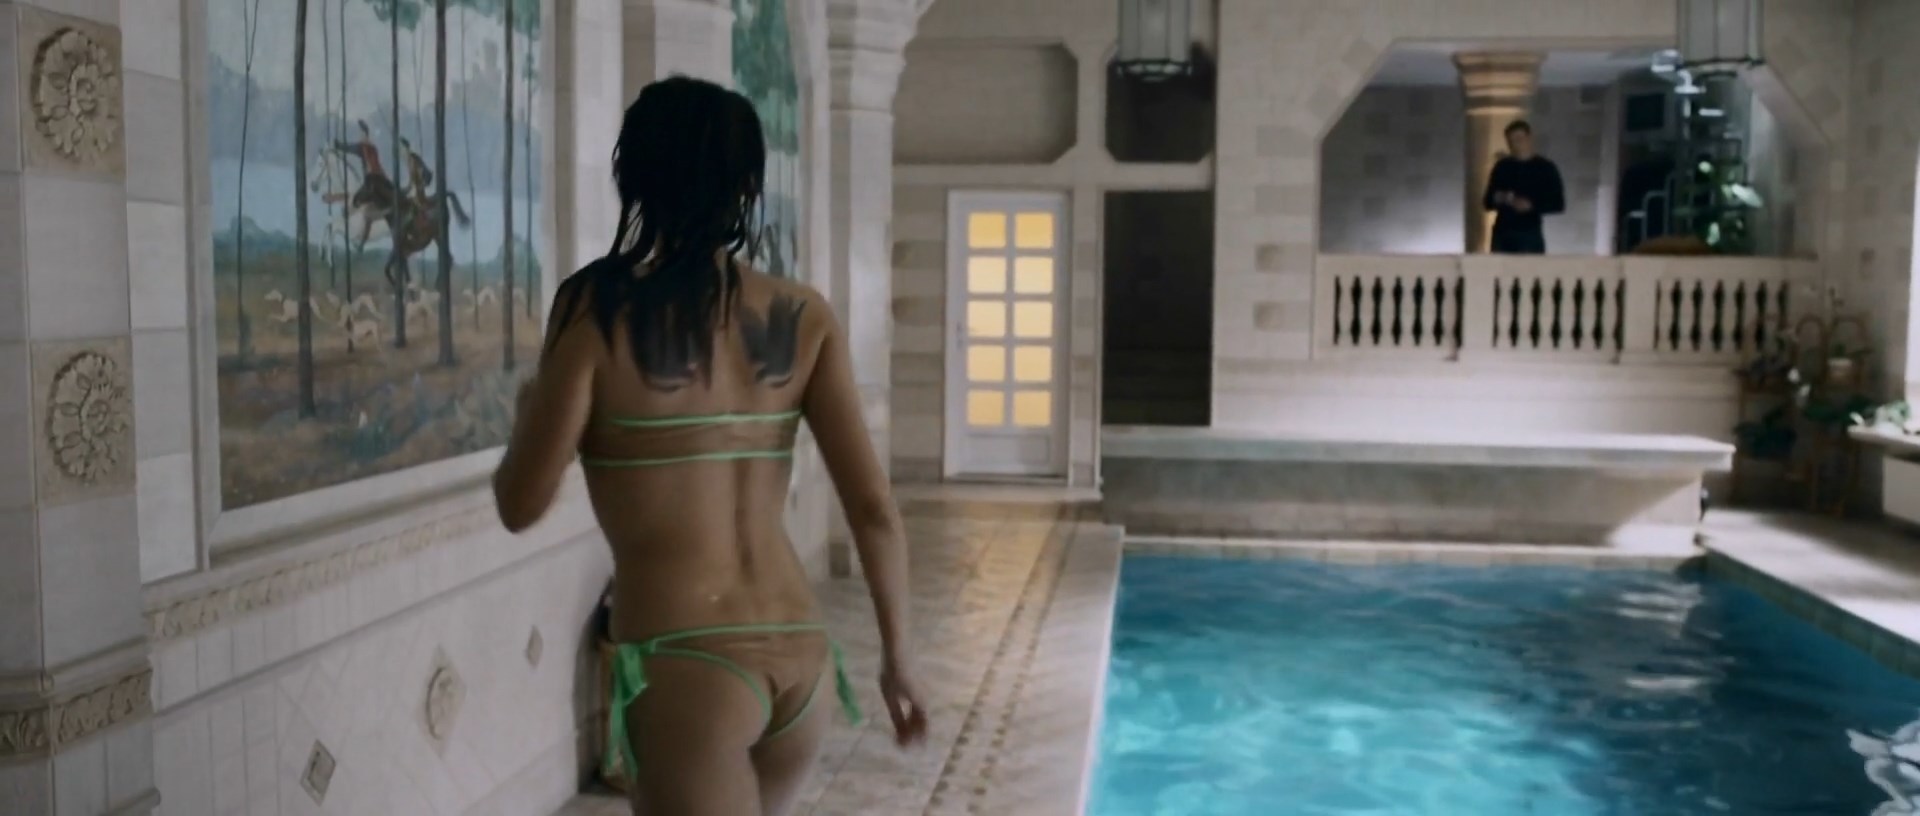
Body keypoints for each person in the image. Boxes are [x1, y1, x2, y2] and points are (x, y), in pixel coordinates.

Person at [490, 76, 927, 815]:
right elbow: (874, 509)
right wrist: (898, 659)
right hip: (801, 656)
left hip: (688, 661)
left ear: (634, 176)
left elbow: (520, 503)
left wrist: (530, 411)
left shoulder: (595, 310)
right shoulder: (804, 315)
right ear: (748, 187)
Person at [1481, 120, 1565, 255]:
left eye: (1519, 139)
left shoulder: (1545, 168)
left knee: (1529, 267)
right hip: (1503, 232)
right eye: (1511, 141)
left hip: (1529, 232)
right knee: (1499, 267)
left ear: (1529, 138)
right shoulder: (1502, 167)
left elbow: (1558, 203)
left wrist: (1531, 206)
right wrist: (1502, 198)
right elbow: (1487, 201)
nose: (1515, 145)